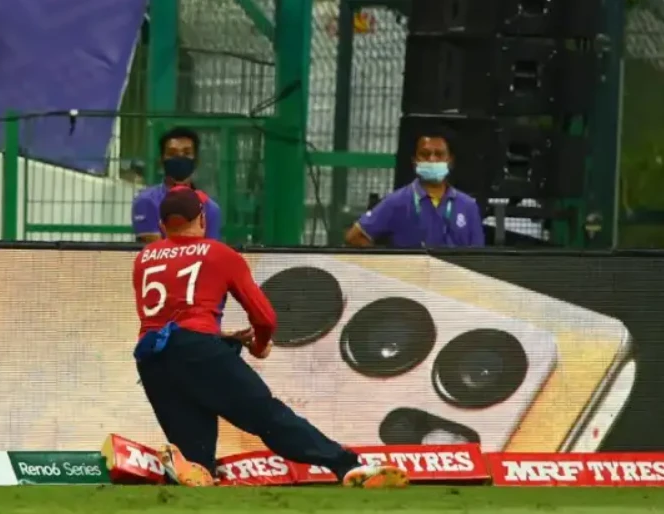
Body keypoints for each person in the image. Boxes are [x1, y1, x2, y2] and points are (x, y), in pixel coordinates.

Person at [131, 186, 408, 489]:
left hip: (152, 361)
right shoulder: (219, 254)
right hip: (199, 353)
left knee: (199, 466)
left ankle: (185, 465)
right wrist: (259, 345)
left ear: (161, 225)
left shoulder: (145, 258)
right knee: (268, 417)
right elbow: (265, 318)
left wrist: (221, 338)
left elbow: (168, 320)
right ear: (202, 219)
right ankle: (347, 465)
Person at [344, 134, 484, 248]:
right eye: (425, 154)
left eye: (439, 154)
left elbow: (479, 257)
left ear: (450, 161)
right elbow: (355, 236)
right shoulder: (396, 202)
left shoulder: (468, 206)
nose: (432, 159)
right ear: (415, 161)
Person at [131, 127, 222, 242]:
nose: (179, 158)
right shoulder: (145, 201)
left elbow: (210, 250)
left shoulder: (210, 208)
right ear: (161, 159)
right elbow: (152, 249)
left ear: (196, 160)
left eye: (187, 153)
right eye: (172, 153)